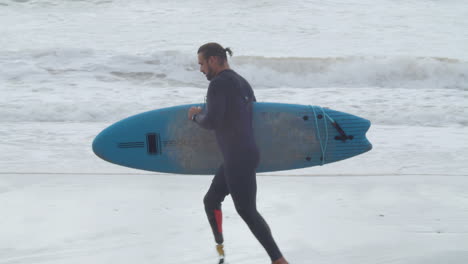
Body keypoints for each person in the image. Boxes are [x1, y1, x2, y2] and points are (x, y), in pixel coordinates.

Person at [187, 43, 289, 264]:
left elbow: (212, 120)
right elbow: (247, 116)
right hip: (244, 153)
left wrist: (196, 116)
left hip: (237, 156)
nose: (201, 69)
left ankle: (279, 260)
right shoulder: (243, 83)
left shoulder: (217, 84)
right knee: (211, 200)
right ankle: (221, 250)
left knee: (247, 210)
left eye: (202, 64)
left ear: (213, 60)